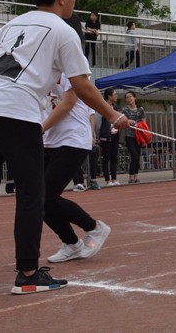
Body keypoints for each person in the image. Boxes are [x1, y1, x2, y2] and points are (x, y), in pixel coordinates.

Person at [0, 0, 128, 294]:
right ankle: (27, 274)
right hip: (16, 111)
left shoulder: (11, 24)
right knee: (32, 193)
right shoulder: (63, 30)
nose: (75, 3)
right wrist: (112, 115)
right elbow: (81, 85)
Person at [41, 73, 111, 263]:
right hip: (48, 141)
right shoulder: (38, 70)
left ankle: (94, 228)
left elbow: (68, 103)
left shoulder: (67, 69)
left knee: (46, 194)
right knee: (37, 199)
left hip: (73, 139)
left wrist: (40, 128)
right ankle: (71, 243)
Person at [122, 91, 145, 184]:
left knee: (138, 155)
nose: (129, 99)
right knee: (134, 155)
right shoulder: (125, 110)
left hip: (138, 135)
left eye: (130, 97)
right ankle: (131, 177)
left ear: (134, 98)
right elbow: (122, 121)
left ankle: (136, 176)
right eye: (127, 97)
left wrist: (138, 125)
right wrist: (129, 121)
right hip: (129, 135)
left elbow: (144, 122)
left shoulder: (140, 109)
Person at [99, 88, 121, 186]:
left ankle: (114, 178)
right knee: (106, 157)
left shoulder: (115, 107)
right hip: (105, 135)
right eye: (114, 94)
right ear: (109, 96)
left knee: (114, 157)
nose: (116, 96)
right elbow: (99, 121)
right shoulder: (102, 106)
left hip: (115, 134)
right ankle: (107, 180)